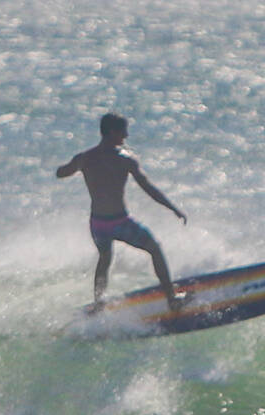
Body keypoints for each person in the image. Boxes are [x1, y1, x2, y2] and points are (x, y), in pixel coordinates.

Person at [56, 113, 190, 312]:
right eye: (123, 131)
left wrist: (72, 166)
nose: (126, 136)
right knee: (154, 248)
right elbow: (148, 188)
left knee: (104, 259)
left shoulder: (84, 158)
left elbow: (61, 173)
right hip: (119, 222)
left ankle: (98, 303)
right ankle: (172, 299)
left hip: (98, 224)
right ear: (111, 132)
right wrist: (173, 208)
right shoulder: (125, 160)